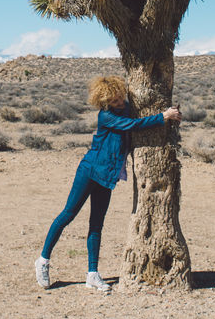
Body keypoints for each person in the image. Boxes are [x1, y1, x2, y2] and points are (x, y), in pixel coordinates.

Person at [35, 75, 182, 293]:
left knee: (97, 223)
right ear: (104, 102)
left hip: (108, 175)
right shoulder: (106, 116)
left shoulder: (126, 107)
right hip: (90, 170)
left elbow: (136, 116)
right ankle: (43, 261)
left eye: (120, 97)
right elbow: (133, 125)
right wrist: (164, 116)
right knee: (68, 214)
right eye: (114, 101)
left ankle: (92, 274)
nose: (120, 102)